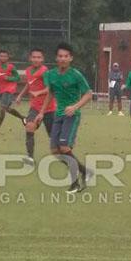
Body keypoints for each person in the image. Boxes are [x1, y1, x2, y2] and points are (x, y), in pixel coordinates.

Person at [37, 43, 93, 194]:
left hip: (72, 116)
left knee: (64, 148)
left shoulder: (76, 75)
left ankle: (74, 183)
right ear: (56, 58)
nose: (62, 59)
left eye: (66, 56)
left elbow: (88, 94)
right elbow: (50, 93)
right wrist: (42, 112)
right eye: (60, 56)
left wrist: (75, 107)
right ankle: (85, 171)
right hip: (58, 115)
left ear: (71, 58)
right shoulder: (51, 75)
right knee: (55, 151)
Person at [15, 48, 56, 166]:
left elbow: (49, 89)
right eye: (34, 57)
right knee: (29, 126)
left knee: (53, 137)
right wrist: (20, 95)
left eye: (39, 57)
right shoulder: (28, 71)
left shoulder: (45, 72)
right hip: (34, 107)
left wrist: (38, 93)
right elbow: (29, 84)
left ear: (42, 59)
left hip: (48, 108)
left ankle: (66, 152)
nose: (36, 59)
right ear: (30, 58)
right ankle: (30, 158)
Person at [0, 50, 25, 134]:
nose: (3, 57)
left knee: (2, 108)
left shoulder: (11, 67)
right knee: (7, 109)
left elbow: (18, 78)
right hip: (1, 89)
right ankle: (23, 118)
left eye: (5, 56)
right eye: (1, 56)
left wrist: (9, 78)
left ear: (8, 58)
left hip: (9, 89)